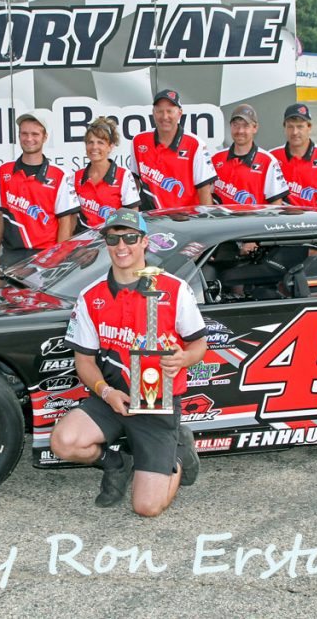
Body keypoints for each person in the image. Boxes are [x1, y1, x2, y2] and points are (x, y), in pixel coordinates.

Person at [51, 208, 207, 516]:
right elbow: (84, 361)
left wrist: (184, 358)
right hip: (112, 396)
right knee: (64, 442)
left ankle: (176, 451)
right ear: (106, 244)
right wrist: (106, 393)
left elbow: (199, 343)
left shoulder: (174, 289)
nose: (122, 247)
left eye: (130, 238)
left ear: (145, 242)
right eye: (113, 239)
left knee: (147, 508)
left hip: (155, 401)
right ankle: (118, 464)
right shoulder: (91, 296)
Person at [0, 112, 80, 269]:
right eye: (24, 133)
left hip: (46, 255)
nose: (29, 139)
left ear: (44, 137)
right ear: (18, 136)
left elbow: (66, 221)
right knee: (7, 294)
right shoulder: (4, 171)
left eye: (35, 134)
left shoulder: (60, 175)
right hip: (11, 255)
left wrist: (59, 257)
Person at [129, 89, 216, 210]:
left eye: (170, 111)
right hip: (150, 219)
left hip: (185, 221)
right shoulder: (139, 141)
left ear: (180, 113)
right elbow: (134, 184)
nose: (165, 117)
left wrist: (207, 224)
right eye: (160, 111)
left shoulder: (195, 144)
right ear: (153, 113)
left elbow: (204, 191)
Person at [211, 104, 289, 206]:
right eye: (236, 125)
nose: (240, 131)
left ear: (255, 128)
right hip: (222, 222)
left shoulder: (268, 161)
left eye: (245, 126)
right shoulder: (216, 158)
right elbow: (207, 197)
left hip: (253, 222)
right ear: (230, 126)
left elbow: (276, 204)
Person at [270, 103, 317, 209]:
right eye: (290, 127)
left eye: (300, 126)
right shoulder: (272, 158)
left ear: (309, 127)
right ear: (284, 127)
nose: (295, 132)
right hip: (284, 223)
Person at [73, 117, 141, 232]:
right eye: (90, 142)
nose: (94, 147)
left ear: (110, 146)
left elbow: (133, 217)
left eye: (100, 142)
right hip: (83, 242)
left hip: (112, 241)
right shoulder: (76, 177)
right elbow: (72, 219)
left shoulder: (124, 176)